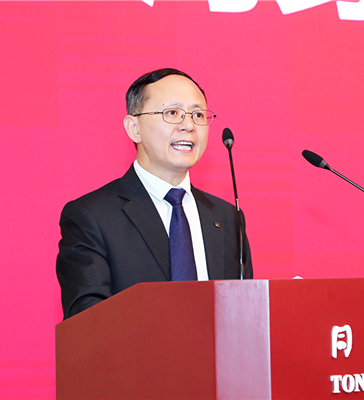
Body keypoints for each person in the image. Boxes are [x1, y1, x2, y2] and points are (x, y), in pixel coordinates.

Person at [56, 68, 253, 319]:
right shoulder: (92, 217)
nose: (188, 126)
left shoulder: (227, 218)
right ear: (134, 128)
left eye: (197, 115)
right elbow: (87, 321)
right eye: (172, 113)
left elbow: (243, 315)